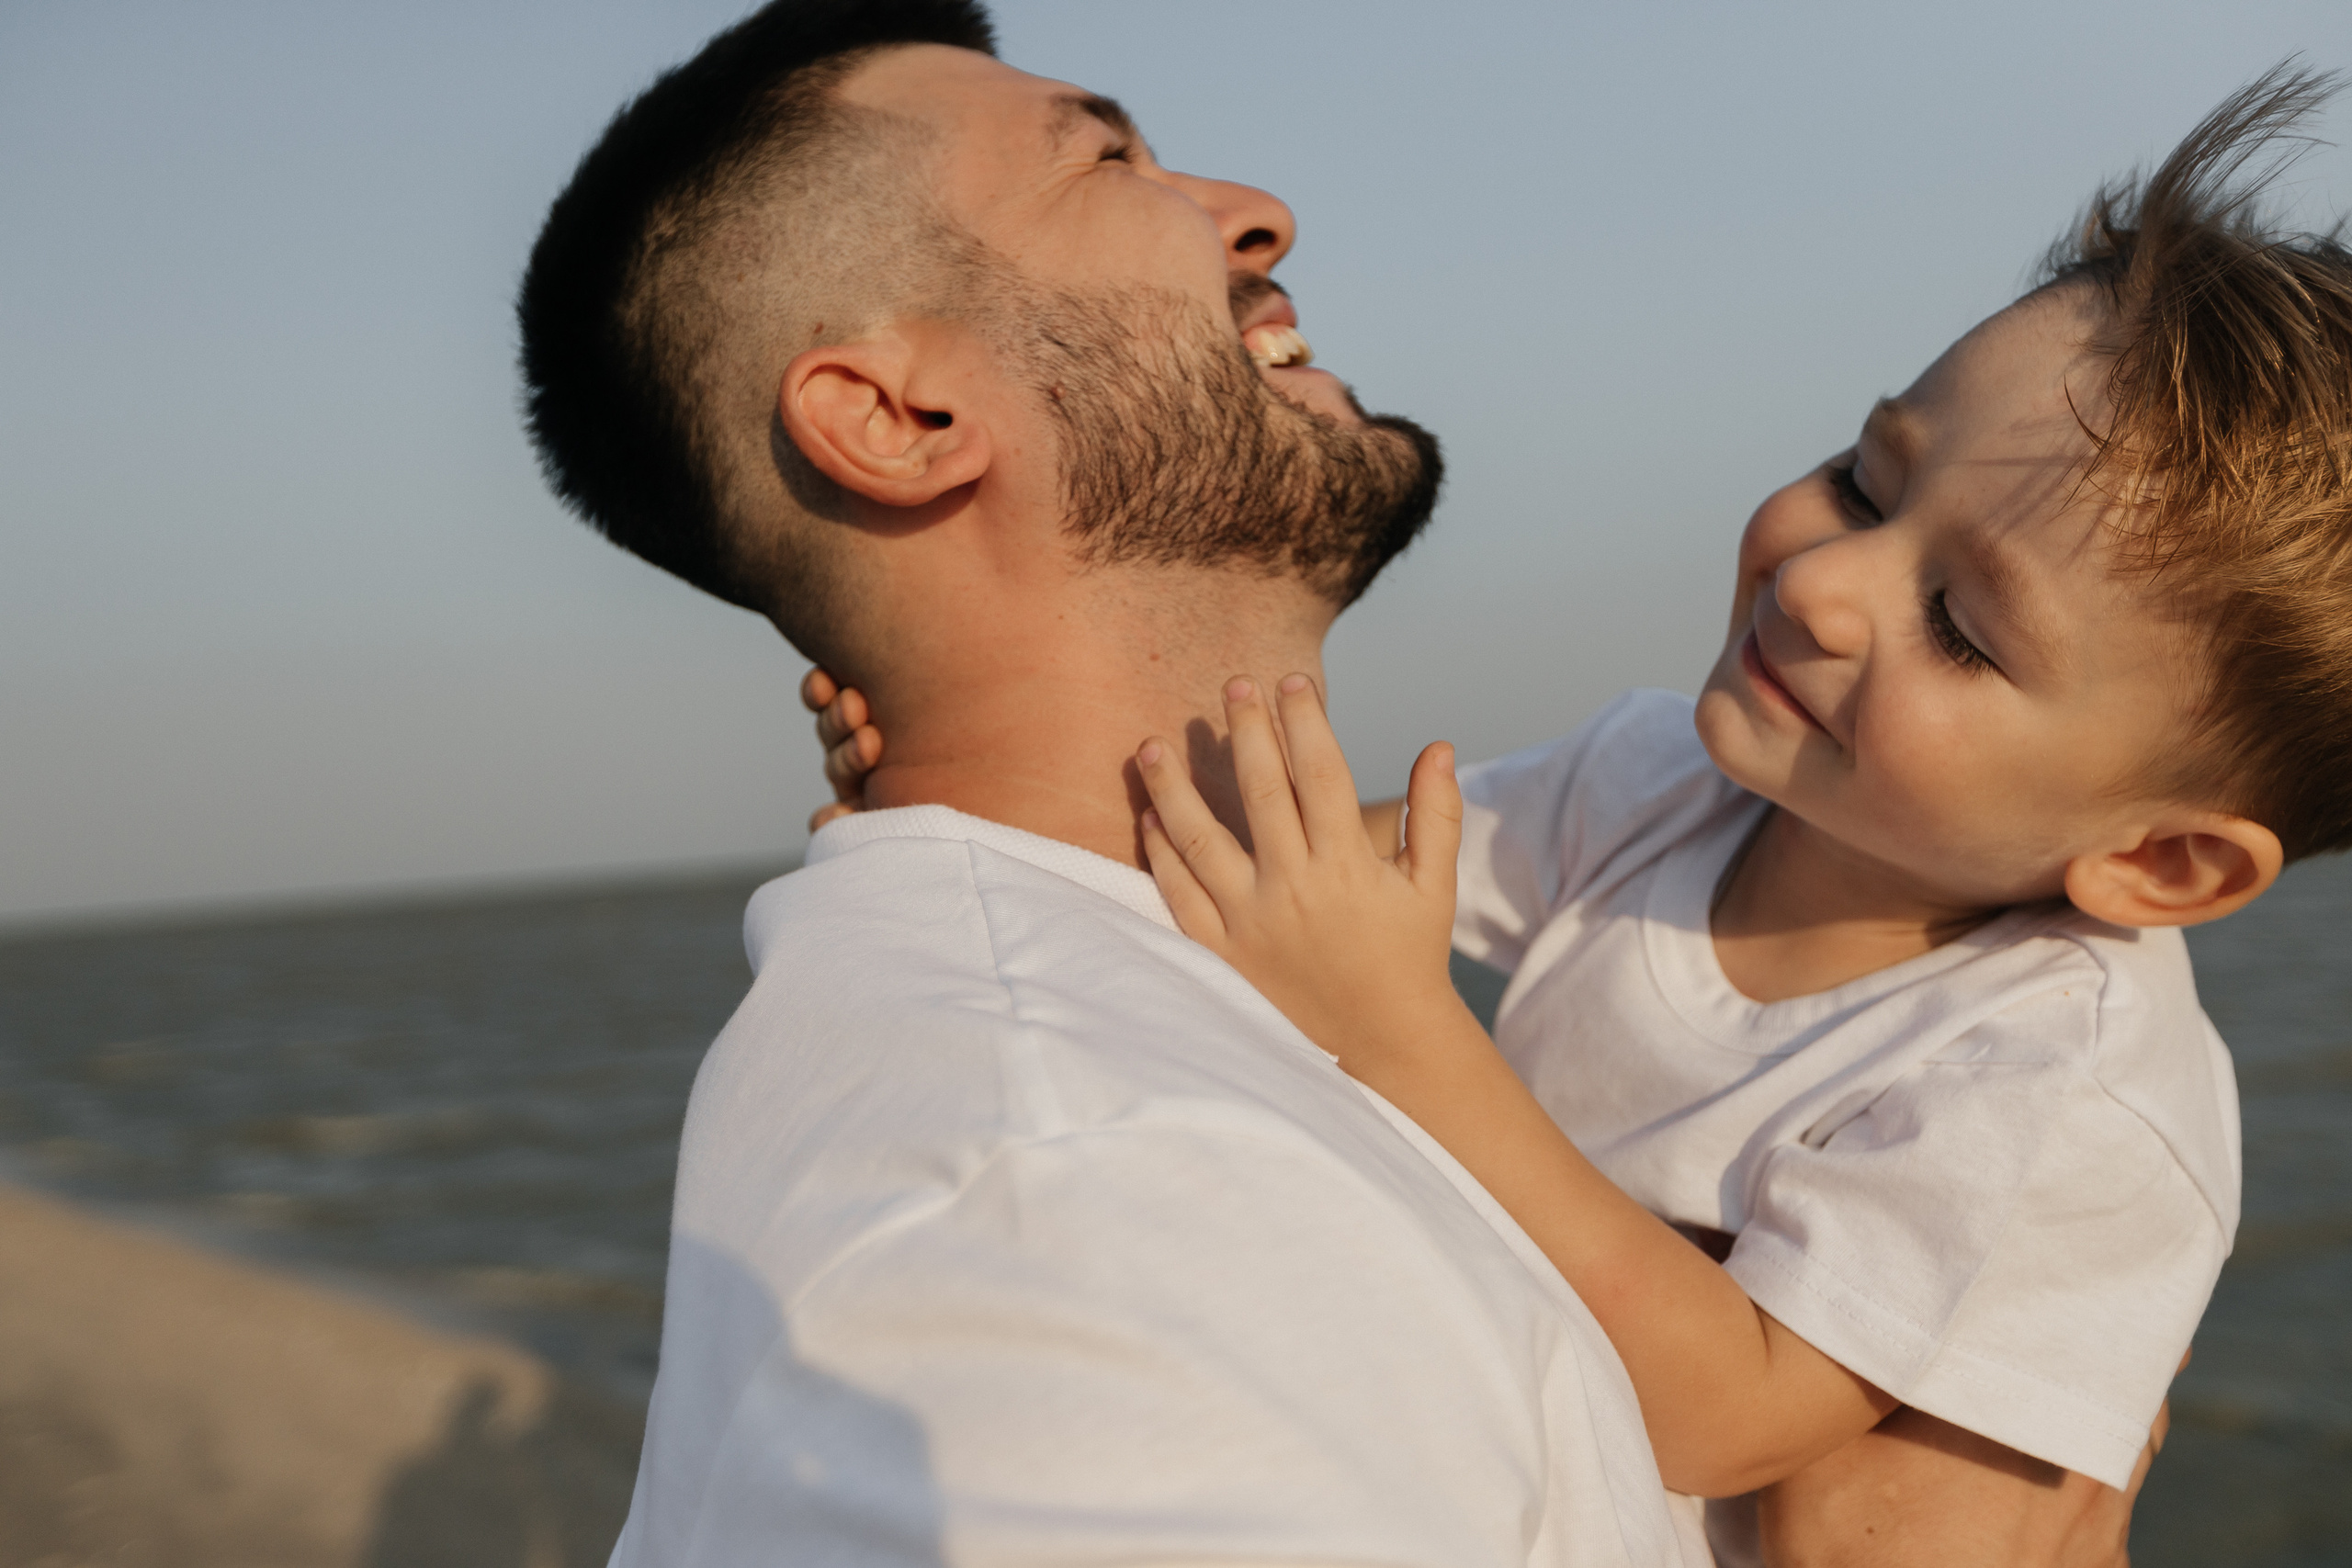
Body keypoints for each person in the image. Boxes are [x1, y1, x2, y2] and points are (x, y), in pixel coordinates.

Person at [524, 1, 2177, 1562]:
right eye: (1106, 160)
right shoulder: (1069, 1207)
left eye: (1966, 624)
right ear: (899, 414)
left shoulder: (1155, 1011)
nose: (1261, 211)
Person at [1102, 66, 2350, 1568]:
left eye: (1959, 626)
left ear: (2160, 860)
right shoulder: (1662, 782)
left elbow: (1737, 1419)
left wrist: (1399, 1030)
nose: (1824, 582)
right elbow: (1308, 878)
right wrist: (1007, 782)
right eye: (1864, 483)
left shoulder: (2055, 1082)